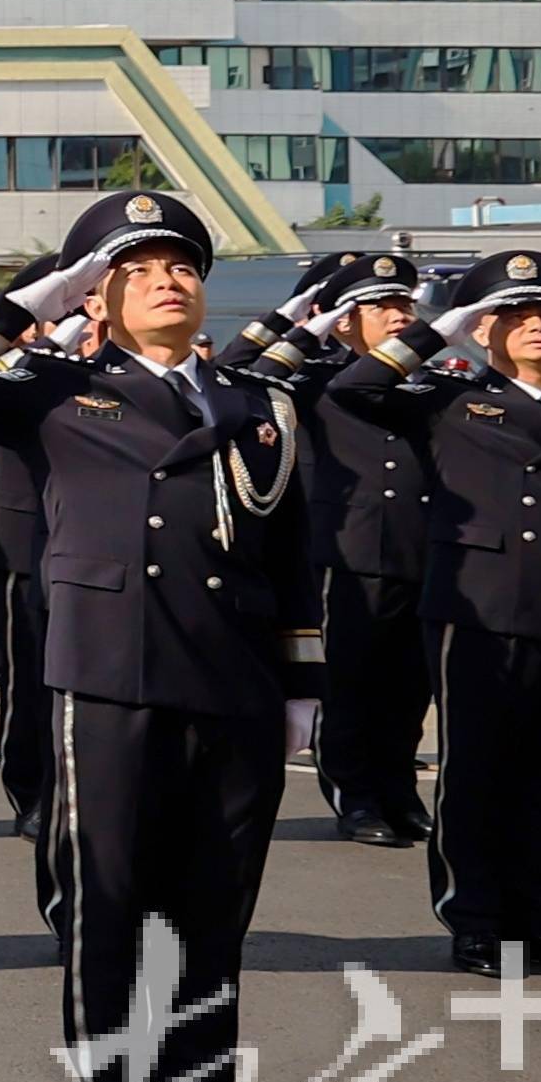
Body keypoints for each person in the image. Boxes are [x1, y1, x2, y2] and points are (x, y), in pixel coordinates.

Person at [0, 195, 316, 1082]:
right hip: (108, 674)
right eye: (136, 268)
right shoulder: (55, 389)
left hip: (233, 682)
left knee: (211, 913)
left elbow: (295, 549)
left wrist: (301, 680)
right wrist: (34, 298)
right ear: (101, 292)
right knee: (111, 899)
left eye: (180, 264)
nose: (166, 279)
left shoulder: (257, 404)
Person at [305, 251, 541, 981]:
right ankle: (477, 919)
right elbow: (357, 386)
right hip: (480, 607)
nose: (538, 326)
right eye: (515, 315)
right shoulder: (450, 398)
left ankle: (538, 916)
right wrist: (437, 329)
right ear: (483, 329)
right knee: (481, 770)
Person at [222, 247, 435, 846]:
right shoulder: (308, 379)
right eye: (382, 306)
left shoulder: (428, 382)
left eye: (404, 304)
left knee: (407, 688)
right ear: (344, 319)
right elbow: (238, 373)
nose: (399, 316)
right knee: (349, 682)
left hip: (419, 553)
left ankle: (398, 790)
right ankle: (356, 796)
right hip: (345, 552)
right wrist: (296, 320)